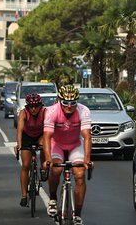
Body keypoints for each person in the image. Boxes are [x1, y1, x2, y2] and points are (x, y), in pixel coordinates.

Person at [42, 84, 92, 225]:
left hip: (75, 145)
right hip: (56, 145)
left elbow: (87, 136)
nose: (69, 106)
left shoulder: (83, 110)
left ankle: (78, 214)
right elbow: (46, 137)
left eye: (73, 103)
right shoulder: (51, 112)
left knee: (80, 174)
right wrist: (48, 159)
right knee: (56, 169)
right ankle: (52, 198)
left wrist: (87, 160)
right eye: (65, 102)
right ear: (59, 100)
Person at [15, 92, 46, 207]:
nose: (33, 109)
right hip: (27, 136)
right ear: (27, 106)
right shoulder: (24, 113)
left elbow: (48, 130)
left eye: (36, 106)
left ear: (40, 106)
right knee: (26, 165)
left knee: (44, 144)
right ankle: (24, 195)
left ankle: (43, 168)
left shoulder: (45, 112)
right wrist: (19, 145)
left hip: (40, 135)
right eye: (31, 107)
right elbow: (19, 130)